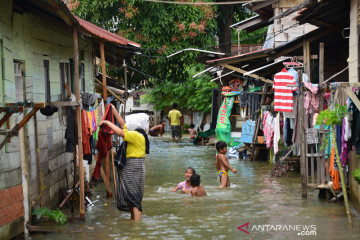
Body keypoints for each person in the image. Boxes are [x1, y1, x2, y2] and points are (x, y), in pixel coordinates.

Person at [100, 104, 150, 221]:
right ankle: (134, 223)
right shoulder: (138, 134)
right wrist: (113, 110)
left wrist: (107, 122)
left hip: (134, 168)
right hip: (132, 167)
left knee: (134, 198)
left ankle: (137, 226)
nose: (127, 125)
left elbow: (121, 133)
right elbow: (122, 125)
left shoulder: (137, 135)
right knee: (131, 196)